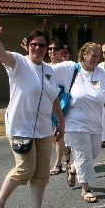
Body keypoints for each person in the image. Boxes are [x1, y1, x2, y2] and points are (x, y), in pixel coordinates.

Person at [0, 14, 63, 208]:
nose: (38, 48)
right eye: (34, 44)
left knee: (41, 172)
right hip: (20, 127)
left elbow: (54, 98)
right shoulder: (19, 62)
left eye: (42, 45)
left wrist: (61, 122)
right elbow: (1, 54)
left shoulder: (49, 70)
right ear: (27, 45)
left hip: (43, 128)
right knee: (25, 168)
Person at [53, 42, 105, 203]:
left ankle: (73, 167)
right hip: (75, 122)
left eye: (98, 56)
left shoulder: (101, 74)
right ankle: (85, 188)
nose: (96, 59)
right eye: (93, 55)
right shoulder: (71, 69)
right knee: (83, 155)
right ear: (84, 55)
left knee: (93, 152)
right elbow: (48, 69)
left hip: (95, 122)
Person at [46, 36, 67, 176]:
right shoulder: (45, 66)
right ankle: (66, 150)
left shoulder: (67, 66)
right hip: (47, 102)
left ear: (61, 50)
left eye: (55, 48)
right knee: (51, 135)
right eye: (50, 48)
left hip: (62, 101)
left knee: (58, 133)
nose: (52, 51)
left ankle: (58, 164)